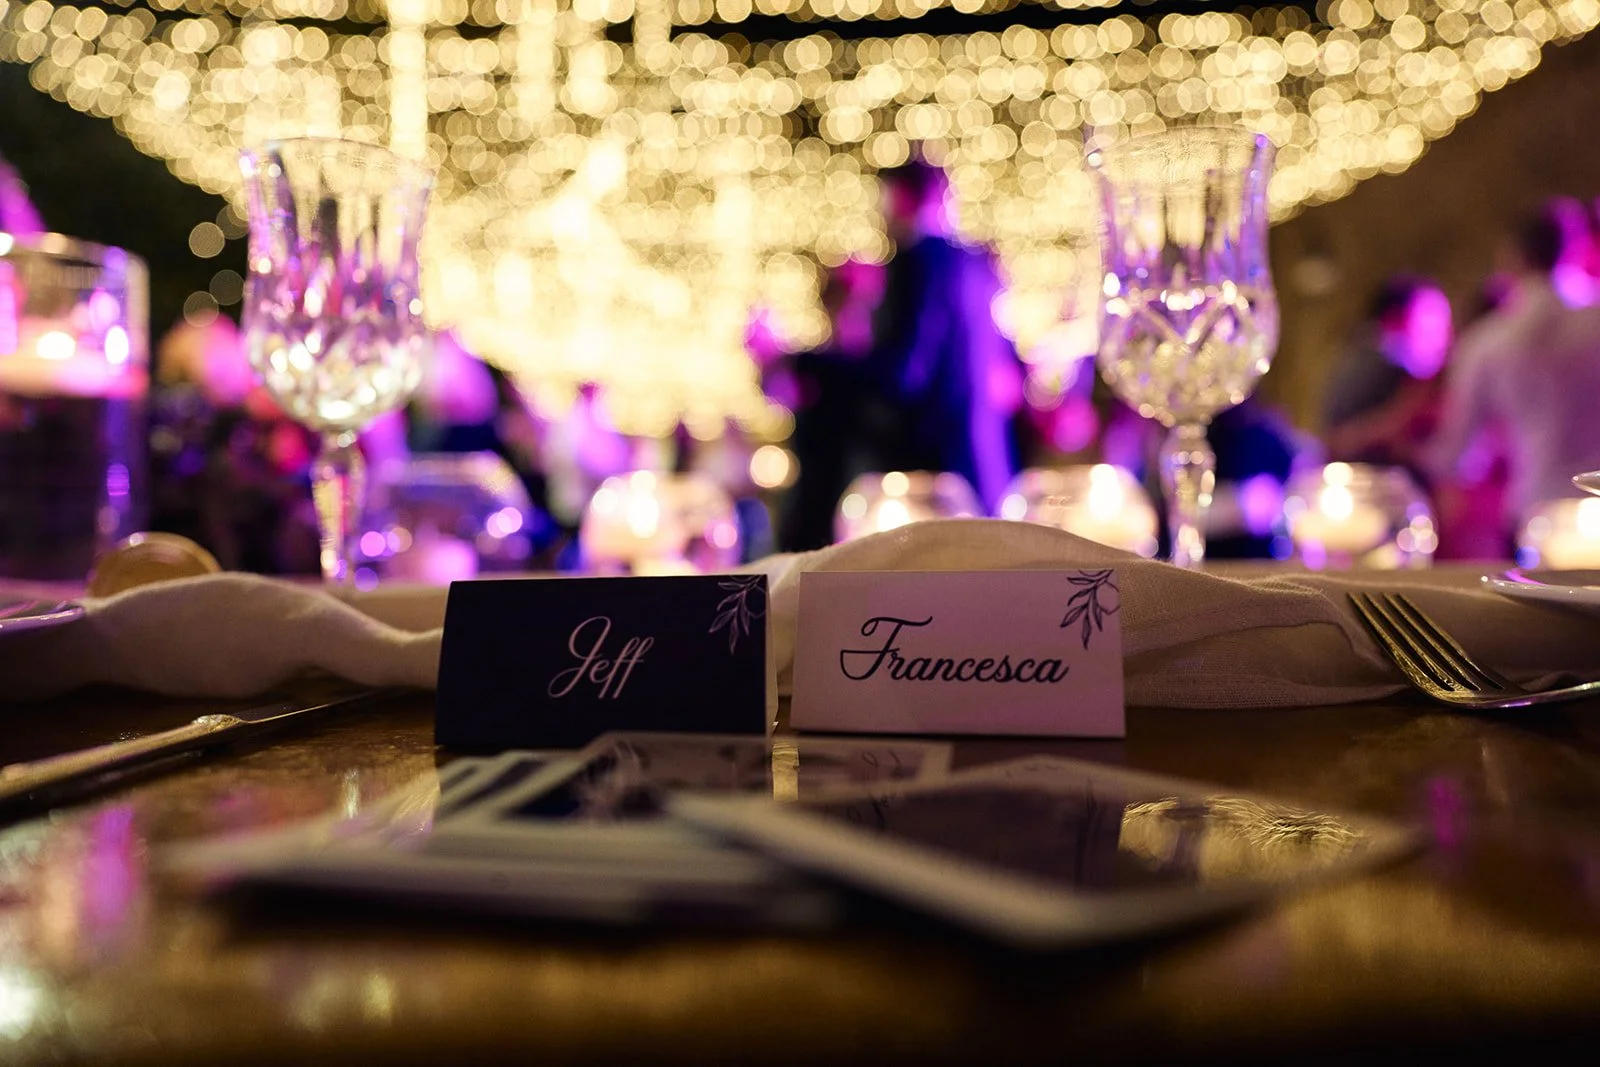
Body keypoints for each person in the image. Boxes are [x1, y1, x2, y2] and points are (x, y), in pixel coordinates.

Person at [1429, 204, 1600, 541]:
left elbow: (1456, 453)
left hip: (1535, 515)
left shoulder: (1486, 341)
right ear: (1579, 251)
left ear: (1512, 258)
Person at [865, 158, 1020, 514]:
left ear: (900, 198)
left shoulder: (917, 263)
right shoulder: (978, 263)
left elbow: (907, 371)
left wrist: (818, 368)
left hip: (932, 469)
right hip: (987, 458)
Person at [1322, 274, 1453, 481]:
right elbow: (1336, 442)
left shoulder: (1395, 371)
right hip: (1367, 489)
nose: (1443, 337)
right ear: (1393, 319)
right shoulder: (1373, 368)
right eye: (1430, 321)